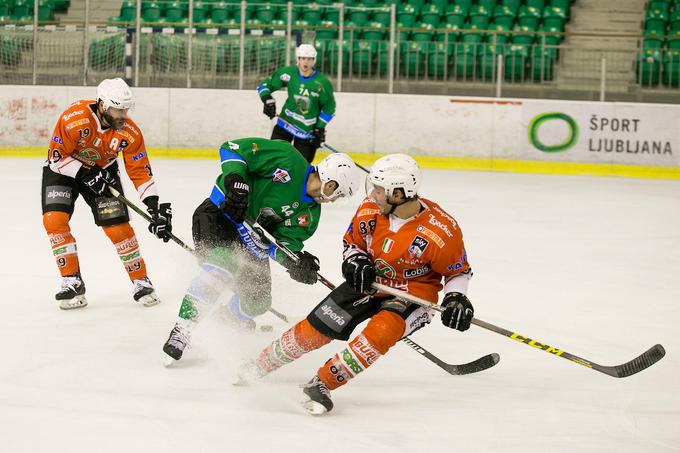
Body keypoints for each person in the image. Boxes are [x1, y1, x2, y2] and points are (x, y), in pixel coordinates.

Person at [236, 154, 474, 415]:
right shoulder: (371, 209)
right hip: (370, 281)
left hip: (412, 293)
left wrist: (456, 299)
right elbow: (353, 243)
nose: (372, 194)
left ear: (399, 193)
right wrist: (356, 262)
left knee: (380, 332)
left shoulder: (441, 231)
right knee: (315, 329)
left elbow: (458, 272)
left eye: (380, 190)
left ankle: (322, 383)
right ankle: (261, 363)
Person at [162, 137, 358, 364]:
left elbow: (279, 245)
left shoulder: (310, 215)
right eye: (339, 194)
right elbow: (232, 148)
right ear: (331, 183)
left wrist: (294, 262)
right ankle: (182, 330)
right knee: (222, 267)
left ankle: (223, 320)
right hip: (219, 215)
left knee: (258, 301)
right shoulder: (288, 158)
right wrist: (235, 180)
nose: (335, 200)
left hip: (249, 242)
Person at [42, 78, 172, 310]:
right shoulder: (74, 119)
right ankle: (71, 280)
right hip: (65, 169)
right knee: (54, 220)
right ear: (102, 104)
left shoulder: (129, 133)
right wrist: (84, 172)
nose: (123, 114)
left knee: (119, 229)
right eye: (118, 109)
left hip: (102, 172)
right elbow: (56, 157)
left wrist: (153, 206)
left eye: (126, 109)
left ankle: (141, 280)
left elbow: (140, 170)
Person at [257, 43, 335, 163]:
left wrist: (319, 128)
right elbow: (267, 84)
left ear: (314, 60)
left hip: (306, 131)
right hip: (285, 123)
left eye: (309, 59)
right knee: (272, 160)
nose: (306, 62)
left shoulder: (322, 83)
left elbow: (329, 107)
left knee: (300, 168)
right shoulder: (289, 73)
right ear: (298, 59)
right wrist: (267, 99)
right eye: (303, 58)